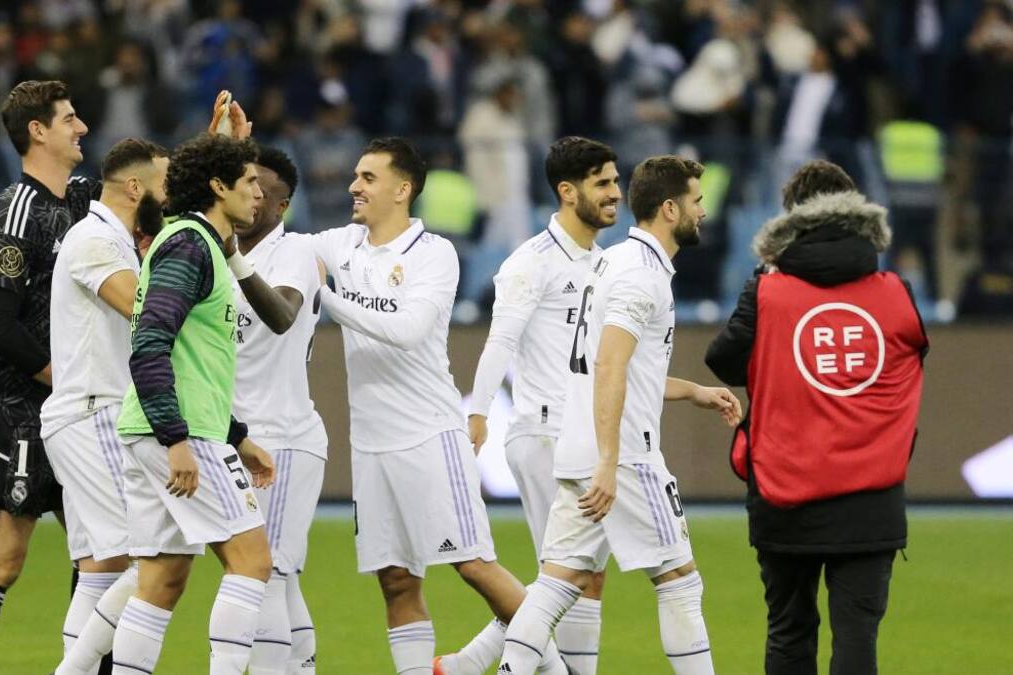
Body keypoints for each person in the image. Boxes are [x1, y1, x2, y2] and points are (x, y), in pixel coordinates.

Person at [310, 137, 568, 675]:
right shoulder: (339, 244)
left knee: (473, 565)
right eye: (356, 175)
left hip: (429, 435)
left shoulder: (434, 253)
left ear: (402, 189)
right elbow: (276, 251)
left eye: (368, 177)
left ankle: (553, 669)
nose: (354, 185)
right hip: (371, 444)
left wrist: (325, 297)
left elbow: (407, 330)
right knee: (396, 580)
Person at [496, 156, 742, 675]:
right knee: (680, 581)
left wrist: (693, 392)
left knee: (556, 584)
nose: (703, 211)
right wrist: (609, 460)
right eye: (696, 201)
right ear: (670, 209)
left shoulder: (611, 262)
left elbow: (611, 367)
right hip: (625, 455)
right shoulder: (641, 275)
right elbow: (609, 364)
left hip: (579, 447)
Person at [704, 160, 928, 675]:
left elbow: (725, 361)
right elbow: (912, 355)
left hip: (785, 493)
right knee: (858, 638)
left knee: (789, 631)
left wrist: (765, 290)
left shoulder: (767, 292)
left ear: (792, 219)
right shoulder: (896, 292)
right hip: (871, 498)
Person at [440, 136, 619, 675]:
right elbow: (502, 339)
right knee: (569, 574)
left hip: (581, 436)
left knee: (574, 575)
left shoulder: (605, 263)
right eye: (602, 183)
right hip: (545, 433)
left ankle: (465, 664)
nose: (616, 193)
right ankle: (481, 664)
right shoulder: (531, 261)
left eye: (615, 181)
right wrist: (478, 412)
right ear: (568, 191)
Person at [111, 133, 277, 675]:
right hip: (178, 433)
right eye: (249, 181)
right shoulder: (190, 245)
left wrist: (237, 436)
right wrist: (177, 440)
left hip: (164, 428)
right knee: (252, 560)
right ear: (218, 187)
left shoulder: (193, 242)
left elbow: (192, 362)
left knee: (161, 578)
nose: (259, 192)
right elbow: (149, 342)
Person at [0, 79, 98, 675]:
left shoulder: (87, 201)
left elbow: (152, 184)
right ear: (37, 131)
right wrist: (63, 378)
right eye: (69, 119)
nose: (81, 127)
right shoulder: (14, 212)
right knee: (2, 557)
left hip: (78, 410)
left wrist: (216, 148)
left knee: (103, 557)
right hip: (18, 409)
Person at [40, 137, 168, 675]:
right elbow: (143, 308)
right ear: (135, 188)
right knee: (152, 558)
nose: (172, 195)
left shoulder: (114, 238)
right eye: (166, 183)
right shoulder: (94, 239)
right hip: (94, 413)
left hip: (87, 415)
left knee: (100, 569)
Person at [230, 146, 326, 675]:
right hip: (239, 436)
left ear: (282, 206)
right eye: (245, 185)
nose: (252, 197)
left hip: (283, 437)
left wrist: (233, 256)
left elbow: (283, 314)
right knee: (275, 579)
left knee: (263, 574)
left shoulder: (294, 251)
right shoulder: (218, 251)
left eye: (262, 191)